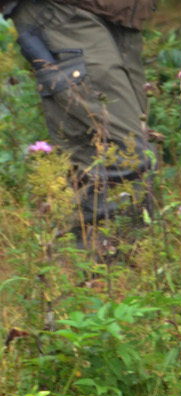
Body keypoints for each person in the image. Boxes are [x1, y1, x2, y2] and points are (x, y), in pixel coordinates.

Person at [4, 0, 155, 245]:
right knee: (122, 154)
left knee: (126, 155)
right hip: (61, 11)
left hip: (122, 13)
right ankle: (100, 274)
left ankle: (111, 271)